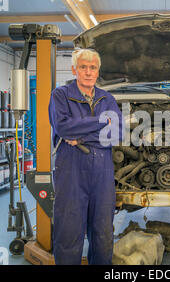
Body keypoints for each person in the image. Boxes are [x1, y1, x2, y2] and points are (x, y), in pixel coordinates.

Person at [48, 48, 123, 265]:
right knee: (69, 231)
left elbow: (117, 134)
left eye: (92, 68)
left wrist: (80, 137)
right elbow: (64, 127)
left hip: (102, 171)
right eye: (83, 67)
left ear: (98, 71)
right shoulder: (60, 95)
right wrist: (101, 122)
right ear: (74, 69)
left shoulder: (107, 98)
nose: (88, 72)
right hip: (71, 168)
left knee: (102, 233)